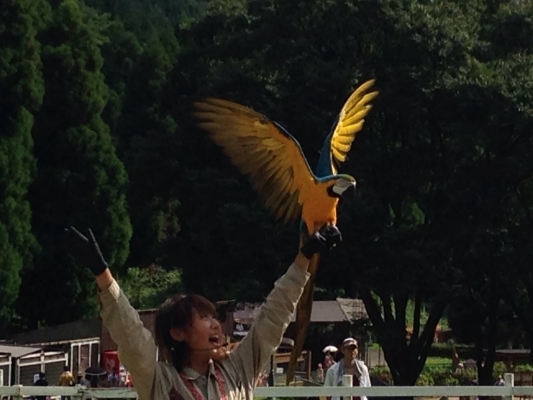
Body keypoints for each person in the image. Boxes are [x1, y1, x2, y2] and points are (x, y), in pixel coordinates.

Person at [66, 224, 342, 400]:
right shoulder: (160, 382)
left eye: (213, 316)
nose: (215, 324)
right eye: (203, 317)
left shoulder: (238, 368)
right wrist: (104, 276)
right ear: (178, 333)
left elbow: (274, 315)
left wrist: (305, 257)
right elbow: (132, 337)